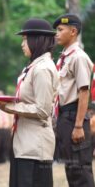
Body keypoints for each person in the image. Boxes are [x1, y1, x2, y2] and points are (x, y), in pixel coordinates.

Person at [0, 19, 59, 187]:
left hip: (34, 148)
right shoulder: (33, 67)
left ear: (37, 40)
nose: (22, 44)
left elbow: (42, 109)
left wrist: (8, 107)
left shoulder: (42, 69)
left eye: (25, 40)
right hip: (24, 144)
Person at [53, 13, 95, 187]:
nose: (56, 33)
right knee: (71, 168)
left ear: (73, 31)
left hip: (73, 116)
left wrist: (78, 125)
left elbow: (84, 92)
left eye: (60, 30)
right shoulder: (64, 57)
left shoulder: (78, 57)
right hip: (65, 117)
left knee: (80, 169)